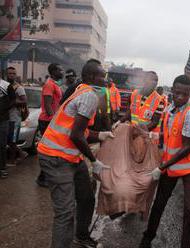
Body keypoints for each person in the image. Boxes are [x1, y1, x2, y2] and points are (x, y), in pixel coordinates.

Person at [37, 59, 114, 248]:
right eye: (100, 76)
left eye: (104, 75)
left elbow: (81, 132)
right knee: (65, 213)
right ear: (89, 77)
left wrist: (101, 135)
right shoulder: (89, 96)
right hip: (56, 158)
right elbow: (76, 135)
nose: (104, 80)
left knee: (87, 198)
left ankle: (80, 236)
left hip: (70, 156)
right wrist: (94, 160)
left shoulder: (83, 91)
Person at [139, 75, 190, 248]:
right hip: (173, 165)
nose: (180, 97)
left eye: (184, 94)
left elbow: (186, 148)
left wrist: (161, 166)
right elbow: (171, 136)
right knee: (159, 202)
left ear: (189, 93)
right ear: (172, 91)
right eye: (177, 93)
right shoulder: (169, 110)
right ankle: (147, 238)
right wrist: (155, 135)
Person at [36, 63, 63, 187]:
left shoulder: (53, 84)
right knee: (48, 150)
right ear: (53, 72)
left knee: (51, 149)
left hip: (50, 120)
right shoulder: (49, 85)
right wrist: (54, 121)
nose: (62, 72)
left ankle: (44, 177)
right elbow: (47, 105)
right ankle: (42, 178)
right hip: (47, 121)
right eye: (60, 70)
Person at [6, 67, 28, 166]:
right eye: (9, 73)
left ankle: (12, 161)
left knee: (13, 140)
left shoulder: (19, 87)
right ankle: (22, 153)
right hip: (7, 117)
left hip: (15, 118)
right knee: (8, 140)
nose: (11, 75)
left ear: (15, 75)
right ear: (6, 74)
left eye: (13, 73)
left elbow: (24, 101)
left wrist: (13, 102)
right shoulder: (5, 86)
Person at [0, 70, 15, 178]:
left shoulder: (6, 85)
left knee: (1, 145)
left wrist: (4, 109)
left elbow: (13, 100)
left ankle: (2, 169)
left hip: (3, 120)